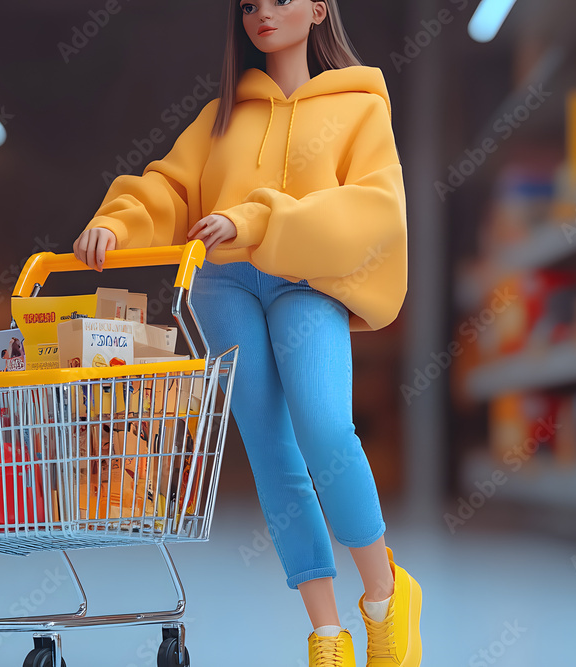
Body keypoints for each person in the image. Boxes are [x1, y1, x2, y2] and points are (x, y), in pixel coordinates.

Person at [73, 1, 421, 665]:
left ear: (320, 8)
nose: (264, 13)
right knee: (270, 448)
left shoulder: (359, 107)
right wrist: (117, 222)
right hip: (224, 284)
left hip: (305, 280)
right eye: (250, 5)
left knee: (325, 426)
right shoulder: (222, 118)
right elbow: (169, 190)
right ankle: (326, 631)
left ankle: (384, 595)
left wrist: (261, 220)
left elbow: (373, 209)